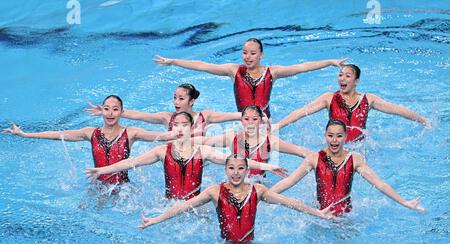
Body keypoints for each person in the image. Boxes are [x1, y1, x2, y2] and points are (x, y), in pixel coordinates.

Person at [85, 112, 288, 200]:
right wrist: (102, 170)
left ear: (192, 128)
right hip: (169, 204)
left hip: (196, 206)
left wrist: (269, 167)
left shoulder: (203, 151)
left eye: (184, 125)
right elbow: (132, 162)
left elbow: (236, 162)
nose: (180, 129)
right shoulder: (162, 151)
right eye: (176, 126)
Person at [139, 154, 335, 244]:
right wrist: (156, 219)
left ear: (247, 171)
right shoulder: (214, 191)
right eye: (231, 168)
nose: (236, 172)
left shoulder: (258, 190)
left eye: (240, 168)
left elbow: (290, 203)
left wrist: (317, 213)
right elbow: (183, 207)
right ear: (225, 170)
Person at [3, 95, 176, 184]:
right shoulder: (90, 133)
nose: (110, 113)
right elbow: (58, 134)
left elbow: (159, 137)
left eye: (115, 109)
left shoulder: (130, 133)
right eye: (106, 109)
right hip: (97, 185)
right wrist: (25, 134)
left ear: (122, 112)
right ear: (101, 111)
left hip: (123, 188)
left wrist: (179, 134)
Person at [154, 38, 346, 118]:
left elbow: (301, 67)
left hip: (265, 121)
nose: (248, 57)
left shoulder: (273, 72)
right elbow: (204, 66)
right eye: (245, 53)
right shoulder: (233, 71)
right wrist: (173, 61)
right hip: (243, 120)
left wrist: (329, 62)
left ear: (261, 55)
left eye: (253, 53)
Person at [270, 119, 426, 215]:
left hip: (346, 217)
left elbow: (379, 184)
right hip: (319, 215)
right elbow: (289, 182)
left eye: (339, 136)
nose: (334, 140)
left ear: (345, 137)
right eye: (330, 135)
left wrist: (404, 202)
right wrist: (264, 195)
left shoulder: (355, 160)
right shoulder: (314, 158)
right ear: (325, 136)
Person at [273, 64, 430, 143]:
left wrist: (424, 120)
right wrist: (276, 126)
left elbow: (398, 110)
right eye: (340, 75)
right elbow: (301, 112)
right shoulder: (329, 98)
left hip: (359, 147)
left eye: (347, 76)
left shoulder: (368, 100)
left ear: (356, 81)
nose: (342, 78)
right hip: (334, 145)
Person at [193, 105, 311, 182]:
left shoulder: (270, 141)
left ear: (260, 121)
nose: (250, 123)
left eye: (254, 119)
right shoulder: (231, 138)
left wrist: (321, 158)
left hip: (258, 187)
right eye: (246, 119)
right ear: (241, 120)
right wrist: (180, 139)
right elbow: (204, 141)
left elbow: (299, 151)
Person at [85, 83, 242, 136]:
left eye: (181, 98)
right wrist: (110, 111)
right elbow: (140, 116)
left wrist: (256, 116)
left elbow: (233, 116)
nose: (176, 102)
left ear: (192, 101)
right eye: (175, 97)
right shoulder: (167, 118)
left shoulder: (205, 116)